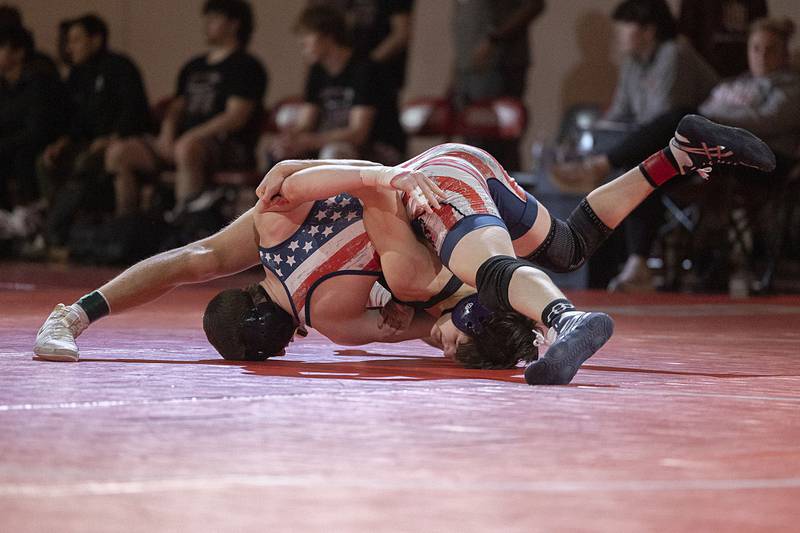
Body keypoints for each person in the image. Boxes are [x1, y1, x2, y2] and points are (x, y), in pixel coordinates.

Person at [256, 114, 775, 384]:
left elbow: (370, 187)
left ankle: (563, 318)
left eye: (454, 351)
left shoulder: (418, 285)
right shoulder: (425, 294)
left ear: (480, 314)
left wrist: (295, 171)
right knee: (568, 248)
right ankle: (677, 156)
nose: (441, 347)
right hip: (460, 168)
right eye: (455, 349)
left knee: (491, 267)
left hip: (437, 177)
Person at [552, 0, 719, 292]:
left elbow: (665, 121)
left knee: (669, 125)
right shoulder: (631, 63)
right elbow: (620, 115)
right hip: (660, 156)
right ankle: (631, 265)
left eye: (624, 27)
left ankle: (600, 165)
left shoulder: (674, 52)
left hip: (702, 151)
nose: (618, 35)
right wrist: (590, 135)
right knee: (637, 172)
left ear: (648, 30)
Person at [105, 0, 267, 218]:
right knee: (120, 153)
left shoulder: (246, 66)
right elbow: (176, 108)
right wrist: (167, 134)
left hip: (224, 144)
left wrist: (190, 136)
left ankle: (184, 226)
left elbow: (235, 116)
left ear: (233, 24)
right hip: (182, 140)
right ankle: (126, 225)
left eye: (214, 18)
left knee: (187, 149)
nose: (207, 24)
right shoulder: (193, 66)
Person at [36, 14, 151, 247]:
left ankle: (56, 231)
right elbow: (75, 119)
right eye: (68, 41)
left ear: (96, 40)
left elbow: (134, 110)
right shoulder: (77, 75)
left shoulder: (120, 67)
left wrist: (112, 138)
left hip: (120, 141)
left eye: (76, 40)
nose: (70, 47)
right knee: (45, 161)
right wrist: (63, 141)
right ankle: (60, 226)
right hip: (87, 143)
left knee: (84, 163)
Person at [266, 5, 405, 165]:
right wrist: (291, 138)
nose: (303, 44)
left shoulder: (365, 70)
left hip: (377, 148)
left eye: (307, 36)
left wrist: (309, 141)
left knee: (334, 152)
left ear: (327, 36)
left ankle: (335, 191)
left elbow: (358, 133)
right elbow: (307, 122)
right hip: (332, 143)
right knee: (281, 153)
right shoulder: (317, 72)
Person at [451, 0, 546, 171]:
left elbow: (534, 5)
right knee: (472, 138)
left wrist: (494, 38)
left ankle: (505, 194)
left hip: (501, 64)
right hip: (468, 68)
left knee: (498, 143)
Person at [679, 0, 768, 78]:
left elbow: (763, 33)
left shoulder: (756, 2)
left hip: (746, 76)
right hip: (707, 74)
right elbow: (685, 40)